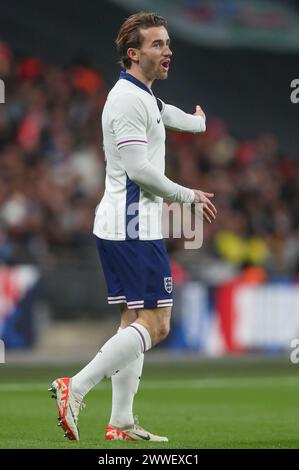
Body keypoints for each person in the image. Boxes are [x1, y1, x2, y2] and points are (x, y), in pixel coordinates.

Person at [48, 11, 217, 442]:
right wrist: (187, 195)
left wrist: (196, 123)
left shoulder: (139, 95)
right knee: (157, 325)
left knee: (133, 321)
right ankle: (76, 386)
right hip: (132, 224)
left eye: (168, 43)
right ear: (133, 53)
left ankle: (120, 419)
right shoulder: (125, 100)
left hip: (125, 223)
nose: (168, 51)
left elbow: (165, 113)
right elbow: (140, 169)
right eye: (158, 44)